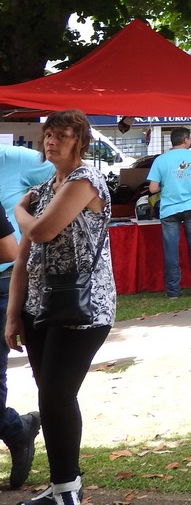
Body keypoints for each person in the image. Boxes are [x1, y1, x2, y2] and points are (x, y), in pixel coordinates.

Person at [5, 110, 116, 505]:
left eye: (62, 135)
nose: (51, 141)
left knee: (56, 396)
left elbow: (40, 231)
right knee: (49, 396)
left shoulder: (85, 181)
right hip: (41, 306)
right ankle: (63, 484)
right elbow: (24, 255)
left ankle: (67, 489)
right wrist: (14, 313)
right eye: (48, 134)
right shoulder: (47, 188)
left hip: (84, 307)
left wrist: (17, 211)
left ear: (80, 141)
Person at [0, 145, 51, 491]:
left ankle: (19, 432)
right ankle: (19, 429)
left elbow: (9, 250)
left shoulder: (16, 159)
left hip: (3, 280)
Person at [148, 128, 191, 299]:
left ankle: (173, 292)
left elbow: (153, 188)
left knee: (171, 250)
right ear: (185, 140)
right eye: (190, 139)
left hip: (169, 209)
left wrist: (168, 186)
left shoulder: (160, 160)